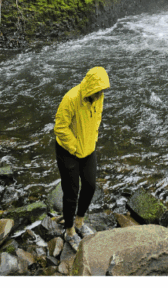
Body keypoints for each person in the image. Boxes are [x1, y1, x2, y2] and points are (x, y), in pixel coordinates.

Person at [54, 66, 110, 241]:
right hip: (68, 151)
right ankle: (69, 230)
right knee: (71, 191)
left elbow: (98, 116)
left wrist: (92, 139)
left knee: (90, 186)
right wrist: (76, 147)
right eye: (98, 91)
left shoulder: (98, 97)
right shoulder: (70, 99)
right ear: (90, 88)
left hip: (88, 148)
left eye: (102, 91)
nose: (101, 95)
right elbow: (60, 127)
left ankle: (79, 221)